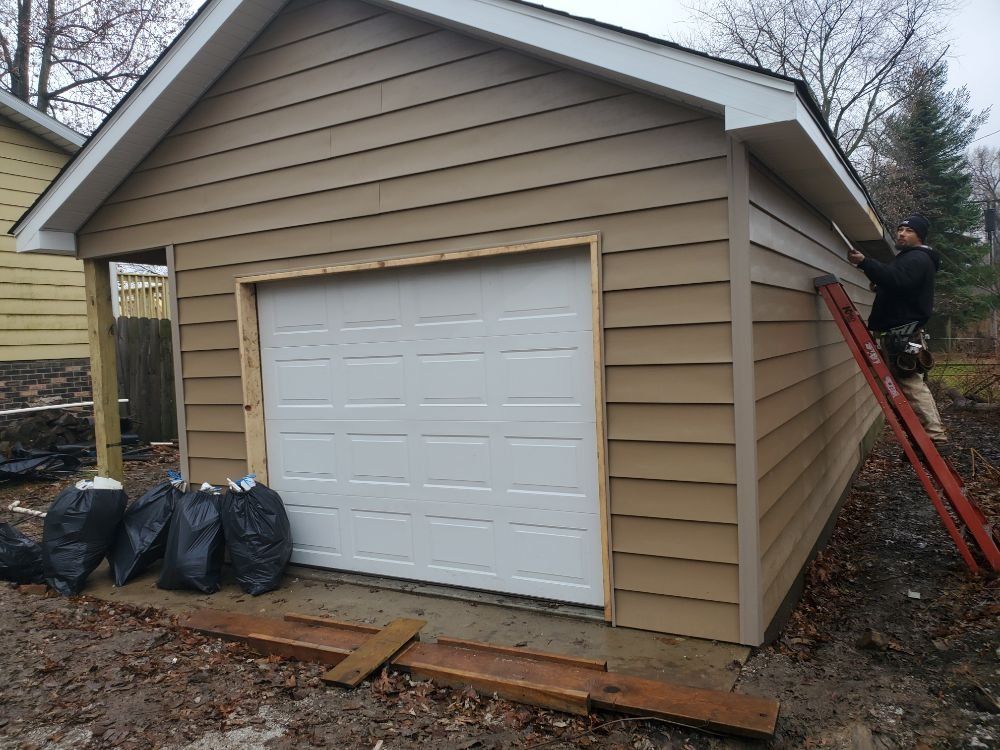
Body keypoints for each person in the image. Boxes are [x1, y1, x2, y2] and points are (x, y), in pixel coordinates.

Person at [847, 214, 947, 442]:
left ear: (919, 235)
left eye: (908, 231)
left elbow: (897, 280)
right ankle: (924, 433)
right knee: (906, 382)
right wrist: (881, 285)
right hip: (901, 332)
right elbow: (901, 287)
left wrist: (865, 262)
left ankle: (934, 434)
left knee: (910, 383)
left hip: (901, 333)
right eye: (900, 229)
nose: (901, 233)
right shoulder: (911, 259)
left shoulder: (918, 258)